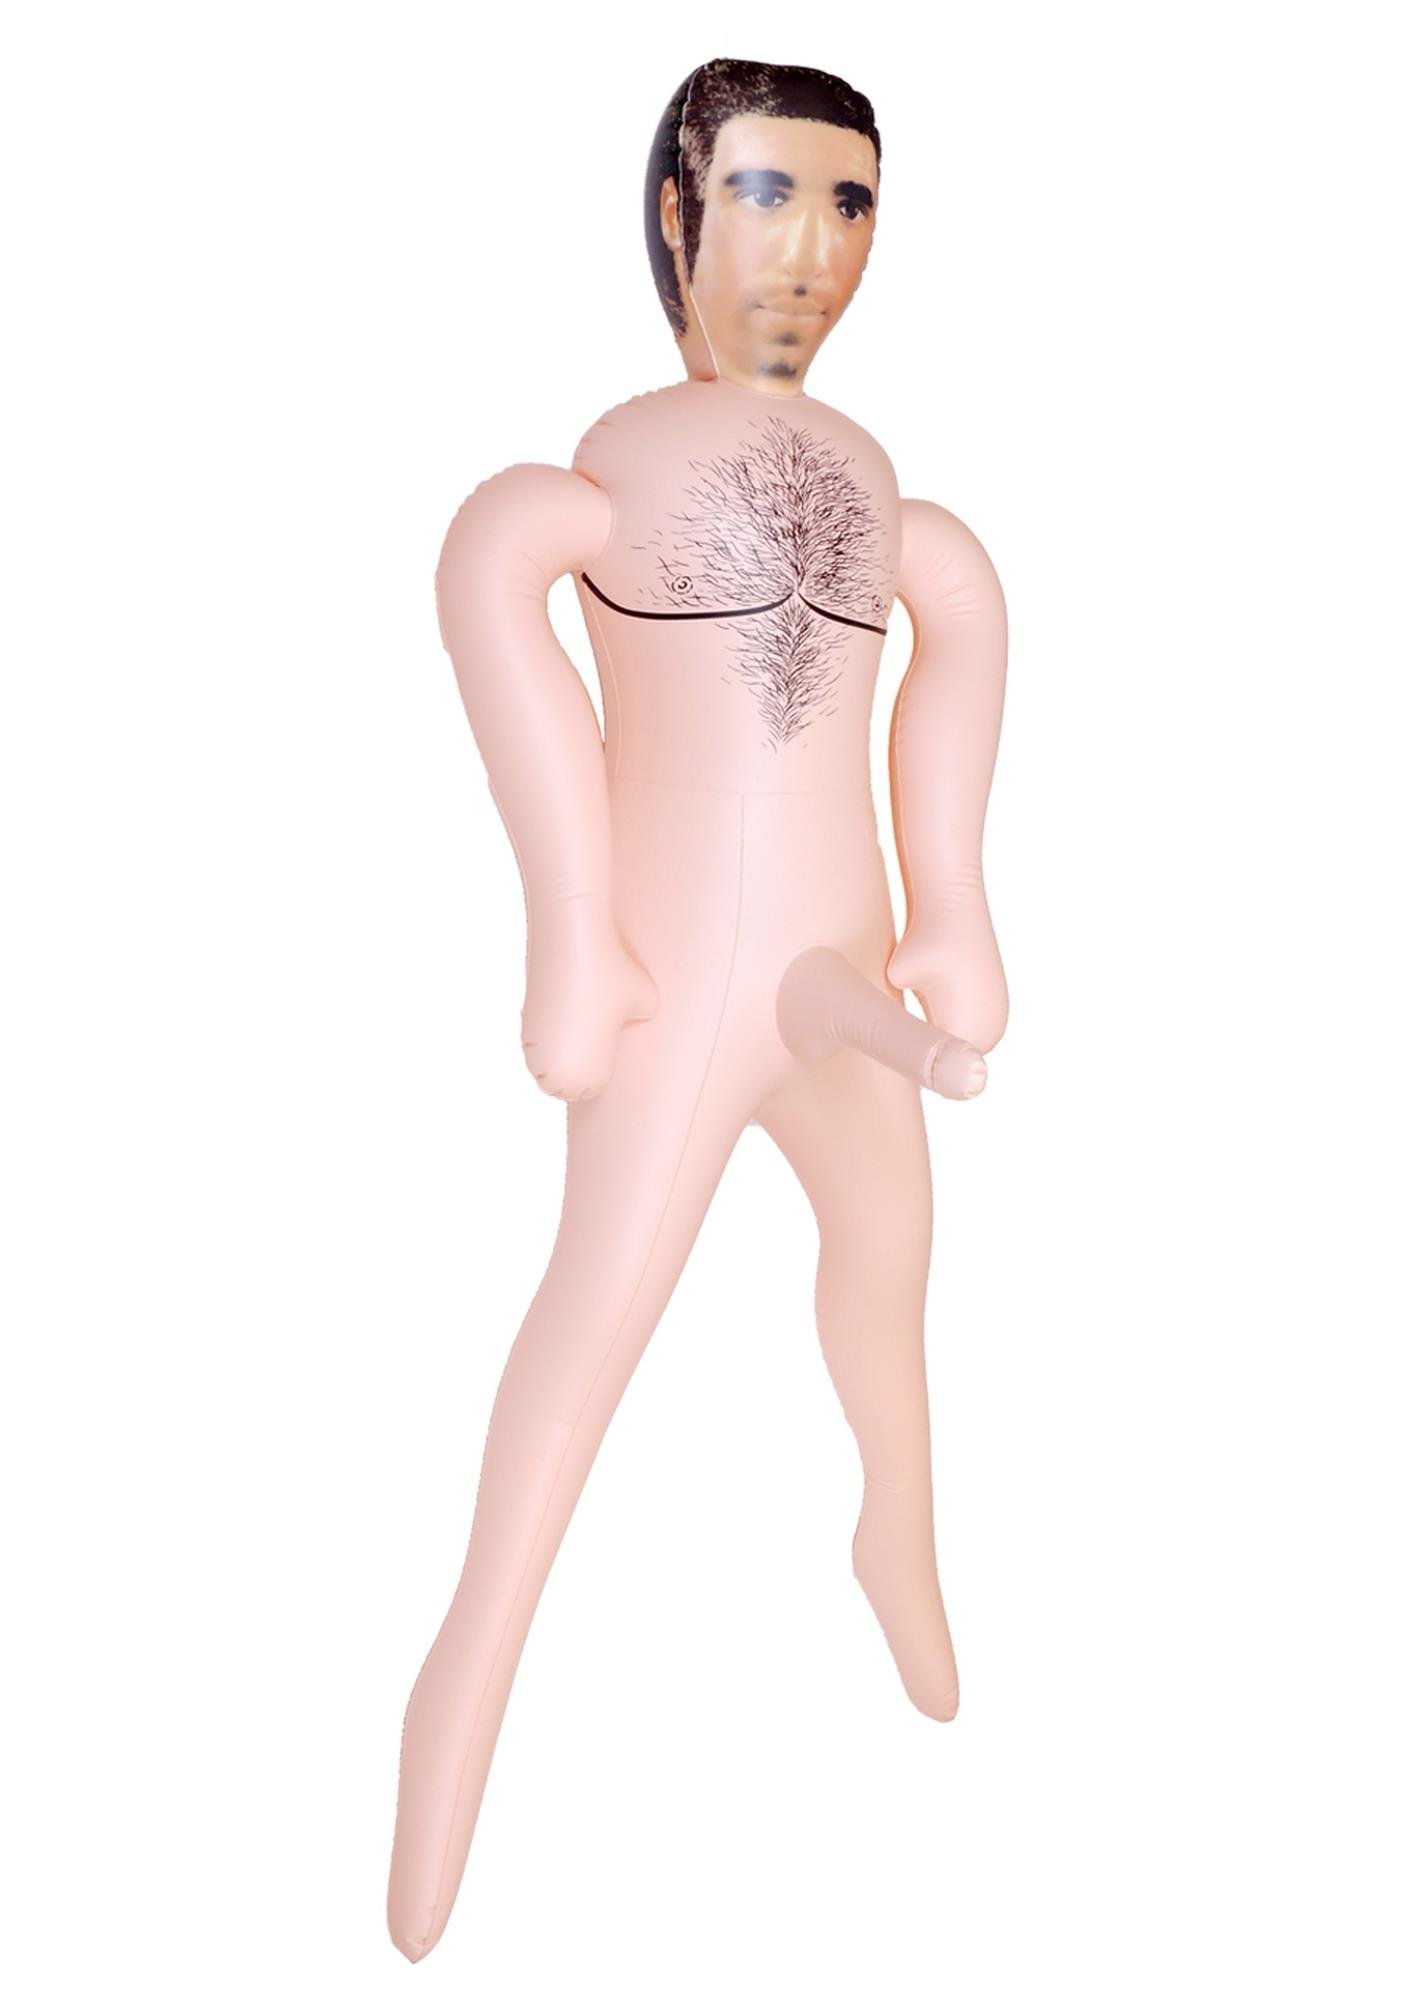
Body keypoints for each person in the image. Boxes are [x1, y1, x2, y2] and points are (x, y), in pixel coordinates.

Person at [388, 56, 1008, 1963]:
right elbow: (495, 566)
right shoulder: (616, 467)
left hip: (843, 974)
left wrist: (956, 897)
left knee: (891, 1264)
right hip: (675, 984)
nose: (811, 250)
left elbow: (965, 615)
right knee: (591, 1331)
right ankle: (461, 1696)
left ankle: (895, 1544)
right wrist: (573, 927)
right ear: (676, 211)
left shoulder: (886, 489)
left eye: (850, 202)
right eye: (765, 193)